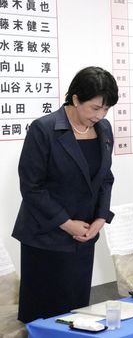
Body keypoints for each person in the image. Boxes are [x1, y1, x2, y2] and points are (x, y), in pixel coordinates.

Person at [12, 67, 118, 323]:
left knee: (77, 311)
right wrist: (67, 224)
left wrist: (101, 218)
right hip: (46, 237)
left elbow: (105, 177)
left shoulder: (103, 130)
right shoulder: (44, 129)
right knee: (46, 315)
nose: (101, 115)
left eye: (106, 109)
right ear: (75, 99)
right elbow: (32, 187)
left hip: (84, 237)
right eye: (95, 108)